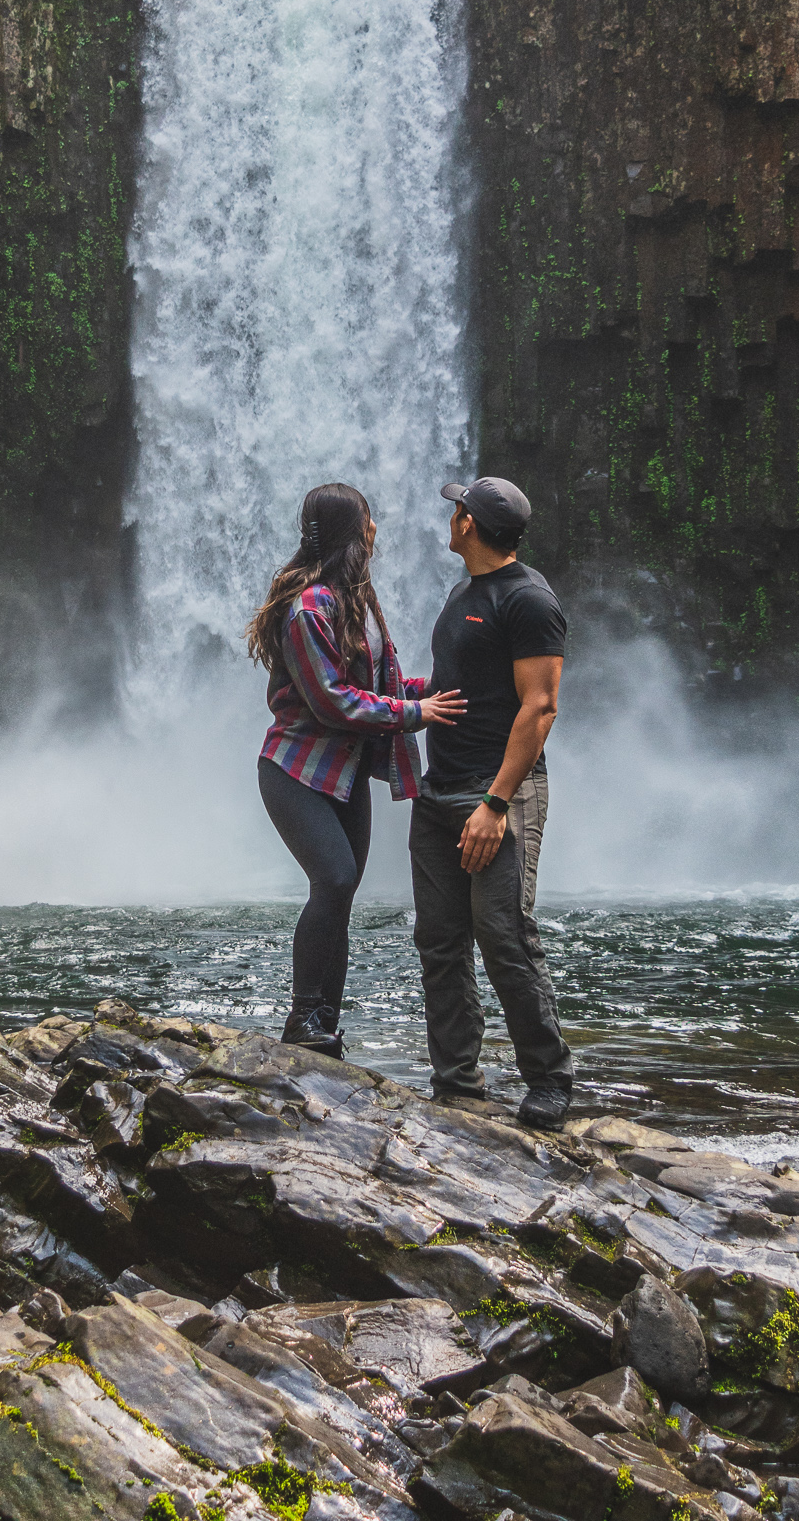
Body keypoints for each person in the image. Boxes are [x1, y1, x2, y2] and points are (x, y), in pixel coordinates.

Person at [248, 482, 467, 1059]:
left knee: (340, 893)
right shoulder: (308, 607)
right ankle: (302, 1019)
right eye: (368, 520)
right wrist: (417, 714)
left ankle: (324, 1025)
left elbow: (383, 689)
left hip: (343, 775)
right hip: (295, 773)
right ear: (353, 531)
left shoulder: (359, 602)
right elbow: (332, 700)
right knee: (336, 879)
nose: (375, 531)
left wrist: (437, 689)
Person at [409, 475, 574, 1128]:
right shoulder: (464, 593)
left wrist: (496, 802)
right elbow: (460, 686)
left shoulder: (529, 601)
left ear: (469, 526)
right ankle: (456, 1083)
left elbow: (540, 706)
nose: (449, 518)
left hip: (497, 795)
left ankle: (550, 1080)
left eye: (455, 510)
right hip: (439, 790)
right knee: (439, 940)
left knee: (504, 936)